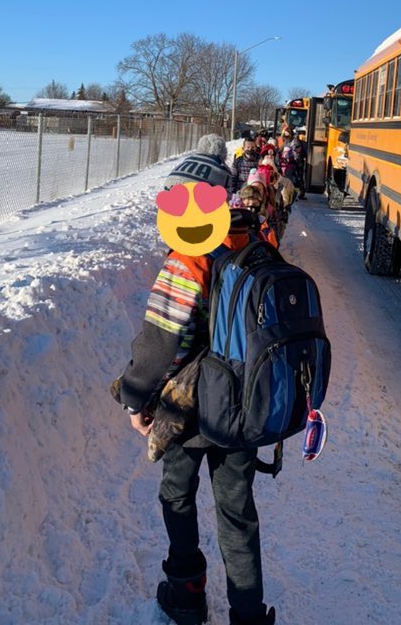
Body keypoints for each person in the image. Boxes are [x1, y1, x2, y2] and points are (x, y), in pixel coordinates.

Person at [115, 144, 276, 625]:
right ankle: (247, 613)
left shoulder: (186, 259)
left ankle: (186, 593)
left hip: (188, 410)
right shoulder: (256, 246)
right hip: (243, 406)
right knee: (237, 513)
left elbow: (158, 342)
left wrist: (133, 398)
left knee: (177, 496)